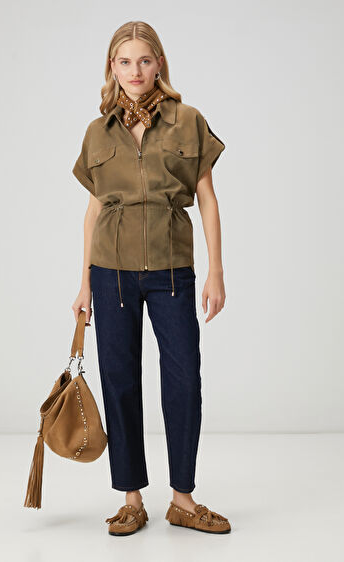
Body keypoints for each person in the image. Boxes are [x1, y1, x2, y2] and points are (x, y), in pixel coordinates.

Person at [71, 21, 231, 536]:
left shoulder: (188, 121)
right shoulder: (98, 132)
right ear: (112, 68)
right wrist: (83, 283)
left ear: (159, 62)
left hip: (171, 271)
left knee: (184, 378)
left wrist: (216, 271)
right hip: (110, 273)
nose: (135, 71)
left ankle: (182, 499)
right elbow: (94, 211)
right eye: (125, 62)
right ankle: (131, 498)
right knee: (120, 381)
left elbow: (207, 199)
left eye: (144, 60)